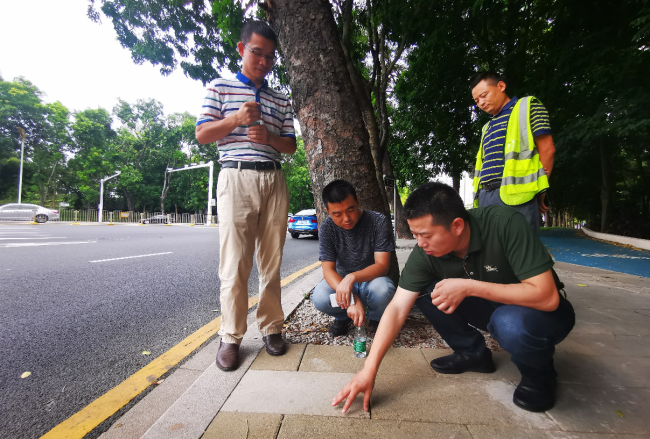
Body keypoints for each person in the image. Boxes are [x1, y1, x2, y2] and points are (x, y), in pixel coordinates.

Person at [333, 182, 575, 414]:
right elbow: (397, 308)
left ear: (457, 225)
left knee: (508, 321)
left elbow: (547, 298)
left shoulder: (505, 224)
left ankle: (539, 376)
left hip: (543, 314)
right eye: (415, 234)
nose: (420, 244)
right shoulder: (424, 253)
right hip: (492, 309)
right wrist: (369, 369)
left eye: (425, 235)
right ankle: (473, 354)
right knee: (426, 290)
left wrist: (469, 287)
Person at [195, 20, 297, 371]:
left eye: (270, 57)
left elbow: (291, 145)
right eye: (257, 53)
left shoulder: (279, 99)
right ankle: (231, 336)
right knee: (235, 263)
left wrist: (269, 138)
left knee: (272, 262)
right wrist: (237, 118)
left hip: (273, 179)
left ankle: (271, 328)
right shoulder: (219, 88)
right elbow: (203, 134)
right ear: (241, 49)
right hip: (235, 177)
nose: (264, 62)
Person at [470, 71, 556, 233]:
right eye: (476, 100)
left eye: (484, 95)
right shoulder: (486, 128)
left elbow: (548, 149)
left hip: (519, 196)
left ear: (501, 86)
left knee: (521, 254)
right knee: (491, 254)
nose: (481, 103)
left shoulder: (528, 107)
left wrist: (540, 190)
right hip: (485, 198)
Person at [311, 180, 396, 336]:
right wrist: (351, 298)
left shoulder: (378, 221)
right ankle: (343, 317)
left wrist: (352, 278)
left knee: (384, 290)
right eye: (337, 214)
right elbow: (328, 270)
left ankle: (376, 319)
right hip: (341, 281)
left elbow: (382, 265)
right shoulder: (326, 228)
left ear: (357, 201)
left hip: (371, 280)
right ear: (327, 211)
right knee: (319, 297)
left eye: (350, 210)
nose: (346, 218)